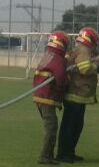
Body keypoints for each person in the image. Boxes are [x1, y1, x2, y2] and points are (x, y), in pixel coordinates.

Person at [57, 26, 99, 164]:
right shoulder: (83, 51)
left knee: (72, 126)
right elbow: (85, 69)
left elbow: (89, 65)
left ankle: (68, 152)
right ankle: (65, 154)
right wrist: (97, 64)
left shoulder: (81, 50)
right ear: (91, 40)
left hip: (76, 96)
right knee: (72, 127)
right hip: (76, 95)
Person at [32, 31, 70, 165]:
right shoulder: (58, 59)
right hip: (47, 97)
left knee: (51, 127)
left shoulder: (48, 55)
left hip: (40, 96)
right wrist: (68, 81)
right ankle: (44, 157)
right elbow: (61, 79)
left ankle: (49, 155)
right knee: (51, 128)